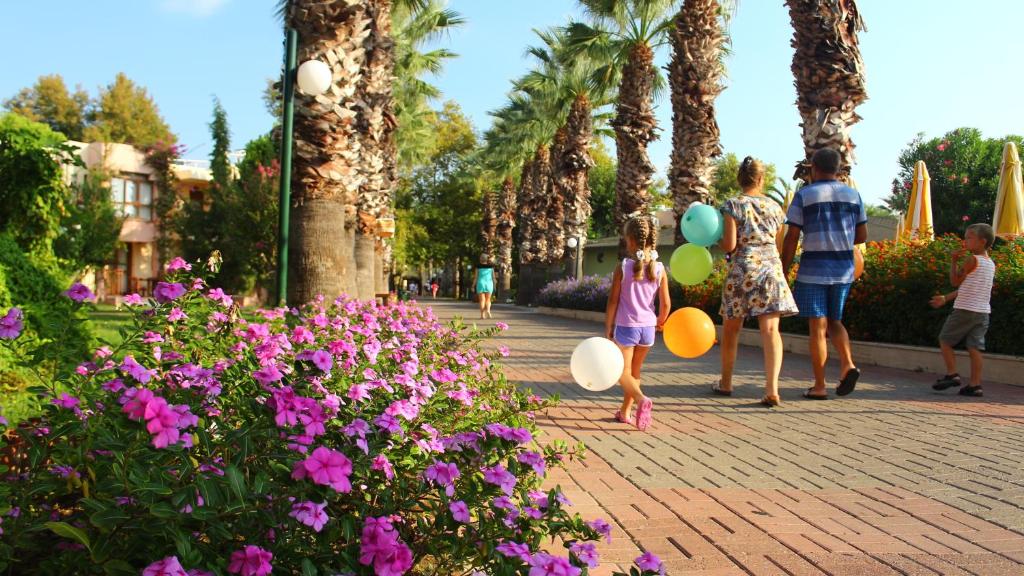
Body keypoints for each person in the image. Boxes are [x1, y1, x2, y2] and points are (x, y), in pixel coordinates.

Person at [781, 148, 867, 400]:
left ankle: (819, 386)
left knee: (817, 328)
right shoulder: (853, 196)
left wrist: (784, 270)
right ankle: (848, 364)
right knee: (835, 321)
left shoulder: (805, 195)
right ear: (839, 169)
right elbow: (861, 236)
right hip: (843, 270)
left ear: (814, 168)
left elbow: (792, 236)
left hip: (813, 271)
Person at [715, 157, 799, 407]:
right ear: (761, 179)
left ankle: (726, 383)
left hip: (743, 270)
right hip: (771, 270)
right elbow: (782, 243)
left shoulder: (732, 205)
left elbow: (730, 245)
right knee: (771, 331)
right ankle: (772, 389)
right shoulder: (775, 208)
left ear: (739, 179)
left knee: (732, 330)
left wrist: (719, 243)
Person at [605, 214, 670, 431]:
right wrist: (660, 321)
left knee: (620, 373)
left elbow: (613, 301)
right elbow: (666, 304)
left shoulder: (623, 267)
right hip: (648, 329)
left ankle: (642, 400)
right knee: (635, 373)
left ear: (630, 241)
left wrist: (608, 328)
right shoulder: (660, 269)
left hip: (626, 327)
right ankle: (625, 412)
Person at [929, 223, 996, 397]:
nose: (965, 241)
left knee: (945, 340)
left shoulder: (971, 260)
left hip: (965, 310)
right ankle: (975, 385)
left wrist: (953, 261)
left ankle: (952, 374)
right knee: (975, 348)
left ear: (982, 241)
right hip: (982, 313)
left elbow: (955, 281)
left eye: (969, 237)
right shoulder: (990, 264)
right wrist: (945, 298)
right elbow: (967, 288)